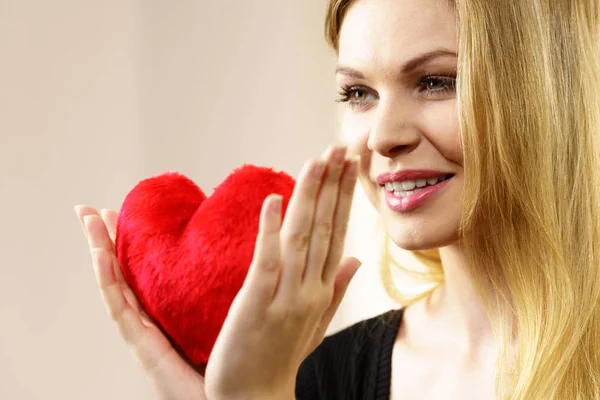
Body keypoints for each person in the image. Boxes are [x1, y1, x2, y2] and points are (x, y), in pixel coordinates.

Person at [75, 0, 600, 398]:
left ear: (551, 90)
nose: (380, 136)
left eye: (436, 82)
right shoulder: (321, 377)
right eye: (359, 94)